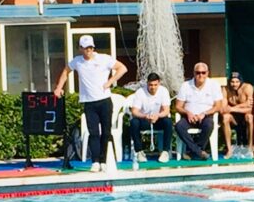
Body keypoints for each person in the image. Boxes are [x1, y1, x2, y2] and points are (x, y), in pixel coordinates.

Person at [53, 35, 127, 173]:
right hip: (89, 102)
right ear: (80, 48)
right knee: (93, 133)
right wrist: (59, 87)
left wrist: (110, 82)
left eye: (90, 47)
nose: (88, 50)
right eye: (86, 48)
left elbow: (122, 68)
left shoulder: (104, 58)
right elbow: (65, 72)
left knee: (106, 132)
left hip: (104, 101)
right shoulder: (77, 62)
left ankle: (103, 160)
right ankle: (95, 161)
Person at [175, 62, 224, 160]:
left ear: (207, 73)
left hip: (206, 116)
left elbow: (218, 106)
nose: (200, 75)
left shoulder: (214, 85)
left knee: (209, 125)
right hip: (189, 117)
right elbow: (178, 106)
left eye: (203, 72)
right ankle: (198, 152)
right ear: (194, 73)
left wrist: (204, 113)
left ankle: (192, 151)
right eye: (198, 73)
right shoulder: (185, 85)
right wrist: (188, 113)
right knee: (179, 126)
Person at [128, 72, 173, 163]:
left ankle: (165, 151)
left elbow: (166, 111)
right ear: (147, 83)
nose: (153, 87)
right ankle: (139, 151)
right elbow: (134, 111)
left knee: (168, 122)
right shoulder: (140, 92)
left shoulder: (164, 91)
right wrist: (145, 116)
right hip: (144, 120)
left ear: (159, 83)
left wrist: (157, 116)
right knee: (134, 122)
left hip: (158, 119)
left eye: (155, 85)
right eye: (150, 85)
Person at [220, 71, 254, 157]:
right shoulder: (225, 89)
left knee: (250, 117)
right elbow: (224, 109)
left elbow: (250, 109)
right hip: (234, 118)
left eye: (237, 82)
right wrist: (244, 105)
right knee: (225, 117)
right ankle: (229, 149)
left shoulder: (248, 87)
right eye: (232, 82)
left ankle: (250, 147)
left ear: (241, 82)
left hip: (244, 116)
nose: (234, 84)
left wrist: (232, 108)